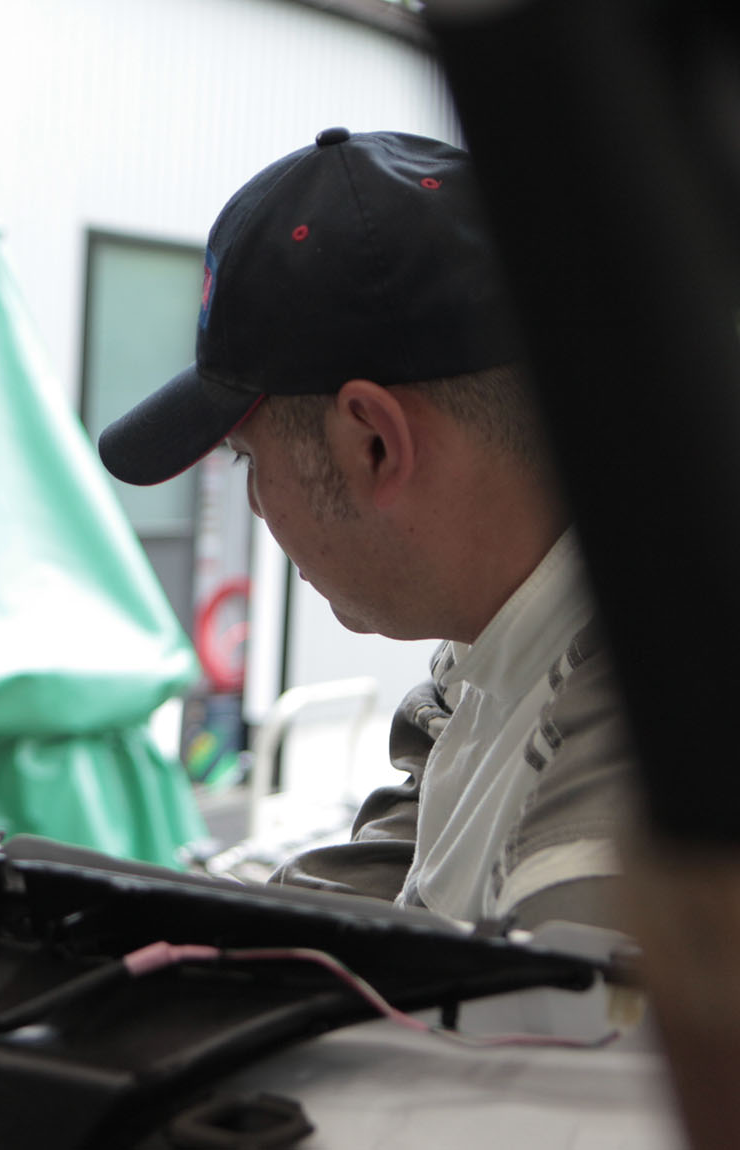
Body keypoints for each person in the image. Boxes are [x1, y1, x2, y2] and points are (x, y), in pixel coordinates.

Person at [97, 128, 628, 931]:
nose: (257, 507)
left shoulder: (615, 804)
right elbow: (412, 848)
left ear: (374, 442)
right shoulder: (503, 630)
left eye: (248, 459)